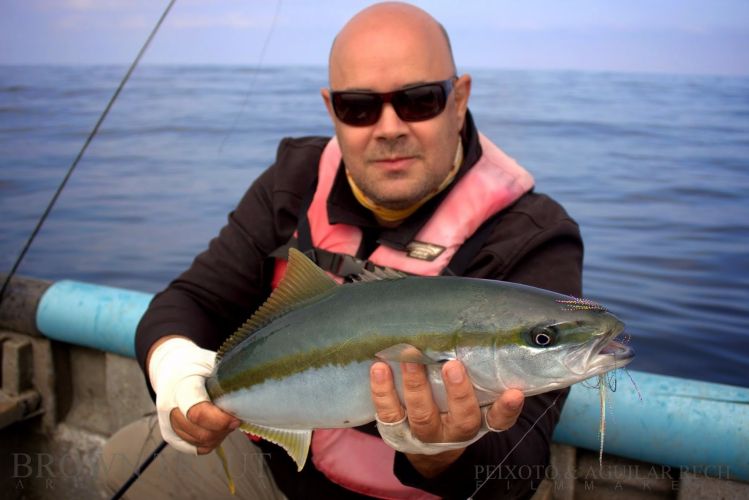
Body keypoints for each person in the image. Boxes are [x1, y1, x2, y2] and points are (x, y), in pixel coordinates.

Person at [101, 2, 582, 499]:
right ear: (332, 110)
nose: (390, 127)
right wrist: (176, 371)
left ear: (458, 99)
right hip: (274, 473)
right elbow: (190, 301)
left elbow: (517, 471)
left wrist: (439, 454)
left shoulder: (531, 235)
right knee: (121, 457)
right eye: (359, 107)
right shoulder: (292, 183)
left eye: (419, 100)